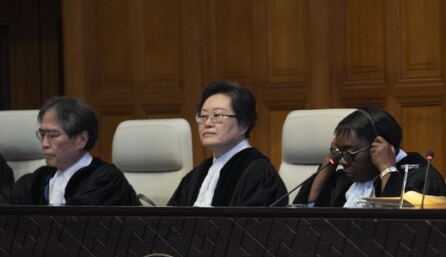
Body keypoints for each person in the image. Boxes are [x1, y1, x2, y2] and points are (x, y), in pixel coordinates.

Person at [292, 106, 446, 207]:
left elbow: (401, 230)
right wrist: (331, 160)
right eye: (340, 152)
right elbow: (307, 212)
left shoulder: (420, 178)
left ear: (380, 147)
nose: (342, 161)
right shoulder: (347, 179)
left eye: (349, 152)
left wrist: (387, 169)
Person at [0, 96, 139, 206]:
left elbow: (71, 224)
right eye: (42, 134)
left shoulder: (106, 180)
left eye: (53, 135)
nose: (44, 143)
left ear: (81, 140)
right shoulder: (39, 179)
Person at [168, 80, 287, 207]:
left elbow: (252, 225)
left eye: (217, 115)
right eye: (203, 116)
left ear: (244, 124)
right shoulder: (196, 175)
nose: (207, 123)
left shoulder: (259, 174)